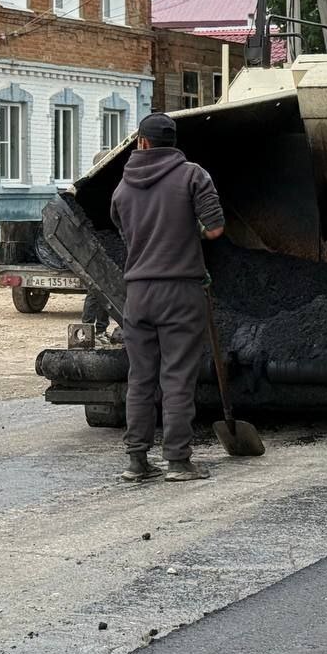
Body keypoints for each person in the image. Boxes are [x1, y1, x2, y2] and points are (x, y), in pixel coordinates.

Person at [111, 113, 224, 483]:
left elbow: (127, 235)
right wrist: (188, 228)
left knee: (141, 378)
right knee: (176, 376)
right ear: (172, 143)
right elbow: (215, 230)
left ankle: (136, 460)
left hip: (138, 293)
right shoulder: (193, 175)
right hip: (180, 291)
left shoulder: (122, 189)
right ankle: (178, 461)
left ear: (140, 142)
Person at [80, 150, 114, 344]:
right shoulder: (89, 188)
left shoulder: (109, 186)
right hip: (92, 246)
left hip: (104, 244)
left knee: (106, 290)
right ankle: (87, 330)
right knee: (95, 290)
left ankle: (100, 329)